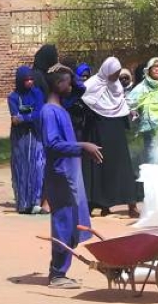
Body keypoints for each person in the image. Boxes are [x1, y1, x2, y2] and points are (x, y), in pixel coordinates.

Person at [39, 67, 104, 289]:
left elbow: (80, 89)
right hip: (61, 174)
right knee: (63, 222)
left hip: (69, 172)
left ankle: (61, 271)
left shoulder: (60, 108)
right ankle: (57, 274)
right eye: (67, 83)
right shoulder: (49, 112)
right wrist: (82, 146)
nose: (70, 86)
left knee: (72, 221)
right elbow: (52, 144)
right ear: (58, 85)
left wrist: (71, 78)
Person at [80, 57, 138, 218]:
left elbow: (120, 103)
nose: (115, 76)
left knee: (122, 167)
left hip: (116, 132)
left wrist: (129, 112)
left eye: (118, 73)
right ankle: (97, 204)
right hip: (97, 131)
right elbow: (84, 103)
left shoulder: (116, 85)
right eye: (113, 73)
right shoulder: (92, 84)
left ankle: (131, 204)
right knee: (98, 167)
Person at [8, 66, 46, 215]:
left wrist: (24, 117)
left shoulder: (37, 93)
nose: (30, 82)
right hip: (20, 138)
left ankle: (35, 202)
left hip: (35, 134)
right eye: (26, 80)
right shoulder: (12, 97)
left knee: (37, 166)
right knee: (21, 167)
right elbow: (14, 117)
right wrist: (26, 117)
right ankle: (23, 203)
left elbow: (39, 113)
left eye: (31, 79)